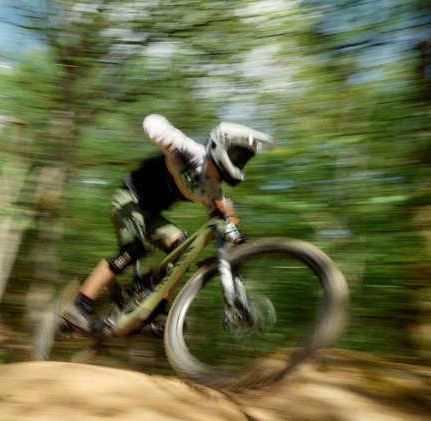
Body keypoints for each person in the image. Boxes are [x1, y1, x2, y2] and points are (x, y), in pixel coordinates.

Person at [61, 114, 275, 332]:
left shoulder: (213, 190)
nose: (239, 163)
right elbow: (151, 123)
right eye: (238, 156)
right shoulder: (191, 151)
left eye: (243, 161)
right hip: (128, 200)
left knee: (183, 250)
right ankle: (78, 306)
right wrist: (172, 147)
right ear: (222, 145)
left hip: (151, 215)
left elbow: (225, 222)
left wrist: (238, 238)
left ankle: (157, 312)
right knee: (132, 250)